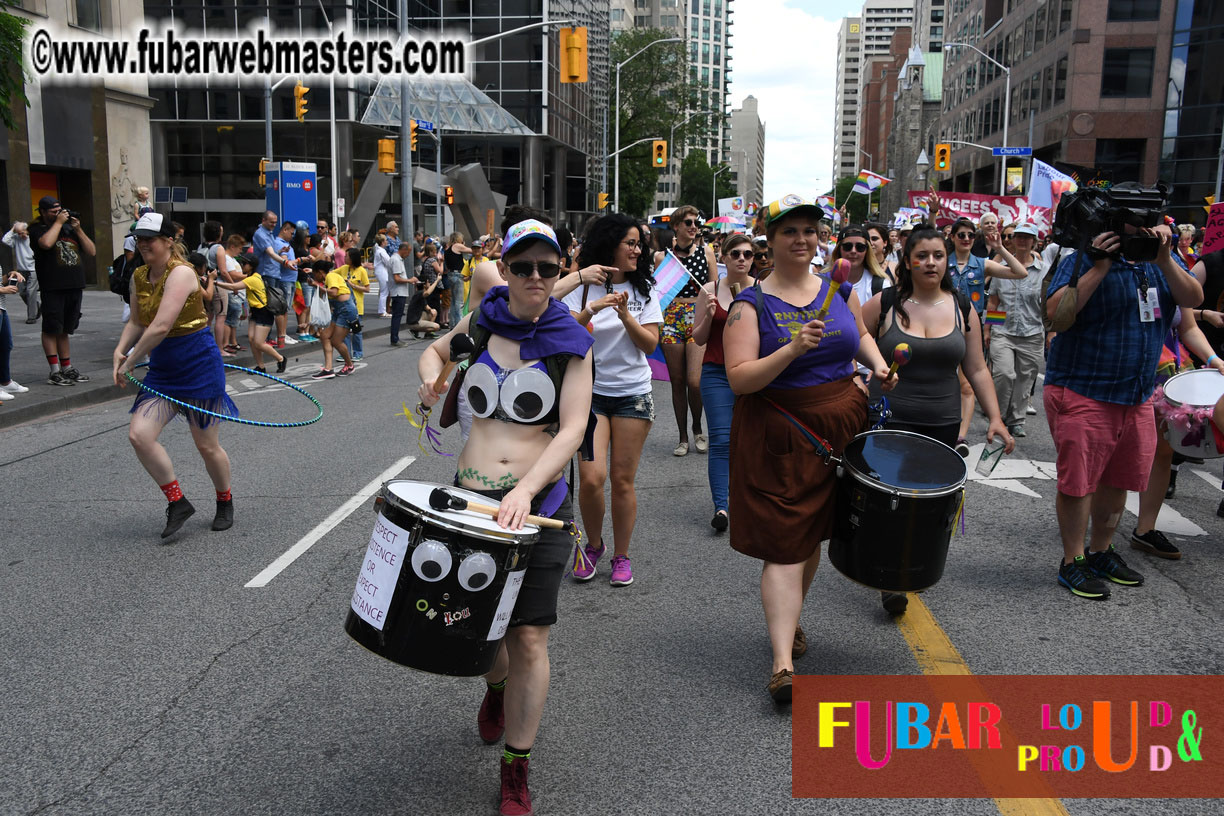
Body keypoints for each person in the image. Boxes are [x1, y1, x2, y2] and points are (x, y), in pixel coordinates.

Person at [416, 218, 594, 816]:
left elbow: (571, 429)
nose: (537, 277)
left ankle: (516, 766)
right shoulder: (483, 322)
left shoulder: (571, 342)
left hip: (536, 507)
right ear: (508, 269)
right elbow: (433, 352)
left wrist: (528, 489)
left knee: (529, 636)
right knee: (480, 629)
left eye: (548, 267)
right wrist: (429, 383)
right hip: (471, 500)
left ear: (559, 268)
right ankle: (495, 687)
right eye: (524, 267)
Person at [722, 195, 893, 703]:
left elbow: (858, 332)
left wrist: (879, 366)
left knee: (815, 533)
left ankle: (789, 620)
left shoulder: (837, 290)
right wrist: (792, 349)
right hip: (781, 431)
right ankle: (782, 664)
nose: (802, 238)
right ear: (769, 241)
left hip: (842, 424)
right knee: (785, 542)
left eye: (809, 230)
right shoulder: (748, 305)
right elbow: (739, 380)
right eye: (789, 231)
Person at [1044, 217, 1201, 600]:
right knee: (1079, 484)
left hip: (1136, 396)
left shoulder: (1159, 261)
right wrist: (1098, 267)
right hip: (1083, 390)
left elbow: (1193, 298)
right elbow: (1056, 315)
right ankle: (1073, 561)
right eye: (1136, 223)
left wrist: (1165, 259)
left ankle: (1100, 552)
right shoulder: (1083, 258)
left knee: (1118, 480)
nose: (1143, 230)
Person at [112, 213, 238, 538]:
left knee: (207, 445)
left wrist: (130, 362)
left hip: (197, 363)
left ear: (169, 240)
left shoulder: (182, 273)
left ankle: (224, 500)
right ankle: (178, 502)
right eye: (138, 239)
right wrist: (120, 350)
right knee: (139, 435)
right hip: (163, 369)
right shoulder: (139, 275)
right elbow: (138, 322)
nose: (142, 245)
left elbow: (162, 325)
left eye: (149, 239)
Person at [563, 214, 661, 587]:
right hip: (588, 395)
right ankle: (593, 545)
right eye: (630, 243)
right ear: (611, 246)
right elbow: (564, 334)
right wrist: (592, 308)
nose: (638, 250)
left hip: (632, 396)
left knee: (622, 481)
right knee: (591, 479)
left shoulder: (644, 290)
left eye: (640, 244)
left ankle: (622, 556)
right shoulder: (582, 286)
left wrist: (624, 315)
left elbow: (650, 345)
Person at [947, 216, 1028, 455]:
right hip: (943, 327)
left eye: (971, 235)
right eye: (960, 234)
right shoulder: (941, 262)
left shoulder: (982, 264)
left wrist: (1001, 248)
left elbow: (1020, 272)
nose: (966, 239)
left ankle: (960, 437)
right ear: (952, 237)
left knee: (967, 386)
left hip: (971, 330)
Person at [693, 233, 755, 532]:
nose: (742, 259)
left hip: (753, 372)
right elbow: (699, 338)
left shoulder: (762, 291)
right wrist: (707, 315)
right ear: (724, 257)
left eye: (747, 254)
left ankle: (747, 498)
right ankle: (721, 506)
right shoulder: (709, 290)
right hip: (716, 372)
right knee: (720, 440)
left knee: (752, 440)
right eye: (735, 254)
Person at [654, 204, 715, 457]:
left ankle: (698, 428)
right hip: (671, 318)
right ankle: (682, 437)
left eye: (696, 223)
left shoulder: (707, 252)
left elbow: (713, 286)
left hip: (697, 316)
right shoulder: (662, 258)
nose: (693, 227)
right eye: (688, 223)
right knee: (677, 382)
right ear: (676, 226)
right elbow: (655, 291)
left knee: (694, 381)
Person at [985, 222, 1047, 438]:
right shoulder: (1002, 267)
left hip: (1032, 333)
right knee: (1003, 373)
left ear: (1034, 242)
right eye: (1018, 236)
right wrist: (988, 330)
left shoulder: (1044, 271)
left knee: (1024, 378)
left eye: (1027, 237)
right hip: (1004, 331)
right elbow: (993, 302)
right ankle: (998, 417)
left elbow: (1048, 306)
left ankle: (1017, 420)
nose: (1022, 240)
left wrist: (1052, 332)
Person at [28, 196, 96, 386]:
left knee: (65, 329)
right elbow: (46, 244)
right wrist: (58, 223)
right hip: (53, 286)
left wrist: (78, 229)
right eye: (53, 211)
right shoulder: (37, 229)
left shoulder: (69, 229)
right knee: (51, 328)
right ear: (42, 212)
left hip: (74, 285)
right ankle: (54, 371)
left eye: (59, 210)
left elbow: (91, 251)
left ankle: (67, 367)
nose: (58, 213)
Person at [215, 252, 286, 375]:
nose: (242, 265)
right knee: (252, 340)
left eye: (245, 263)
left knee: (259, 342)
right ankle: (260, 366)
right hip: (255, 312)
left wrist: (215, 282)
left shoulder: (252, 279)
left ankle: (281, 358)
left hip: (264, 313)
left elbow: (233, 287)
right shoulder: (255, 276)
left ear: (251, 266)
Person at [308, 260, 357, 380]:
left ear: (320, 272)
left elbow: (334, 292)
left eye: (315, 274)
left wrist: (316, 285)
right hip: (338, 311)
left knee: (336, 341)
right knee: (324, 335)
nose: (315, 277)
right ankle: (328, 369)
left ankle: (349, 365)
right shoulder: (328, 278)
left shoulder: (331, 276)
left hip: (346, 310)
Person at [0, 263, 27, 402]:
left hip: (1, 307)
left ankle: (5, 382)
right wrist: (3, 290)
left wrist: (10, 275)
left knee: (6, 345)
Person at [3, 221, 38, 324]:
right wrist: (13, 229)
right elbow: (5, 240)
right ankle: (36, 306)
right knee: (22, 292)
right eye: (19, 233)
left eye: (23, 232)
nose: (22, 235)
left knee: (31, 292)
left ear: (27, 230)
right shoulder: (16, 239)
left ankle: (32, 317)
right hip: (21, 270)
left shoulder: (33, 238)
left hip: (33, 269)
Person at [338, 247, 369, 360]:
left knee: (356, 331)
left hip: (357, 306)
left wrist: (353, 285)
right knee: (344, 331)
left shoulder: (361, 271)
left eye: (346, 256)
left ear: (352, 258)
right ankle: (345, 353)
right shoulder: (344, 268)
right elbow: (331, 273)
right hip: (344, 304)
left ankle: (358, 353)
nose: (344, 258)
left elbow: (367, 288)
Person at [442, 233, 473, 329]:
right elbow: (473, 251)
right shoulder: (457, 246)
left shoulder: (447, 250)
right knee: (459, 302)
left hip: (450, 275)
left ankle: (453, 324)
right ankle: (460, 326)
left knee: (453, 301)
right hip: (458, 274)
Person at [372, 233, 393, 318]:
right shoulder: (381, 251)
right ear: (382, 242)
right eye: (385, 240)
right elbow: (388, 262)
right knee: (384, 292)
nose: (387, 241)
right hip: (382, 271)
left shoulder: (379, 250)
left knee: (384, 292)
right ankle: (382, 311)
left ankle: (383, 311)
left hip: (381, 271)